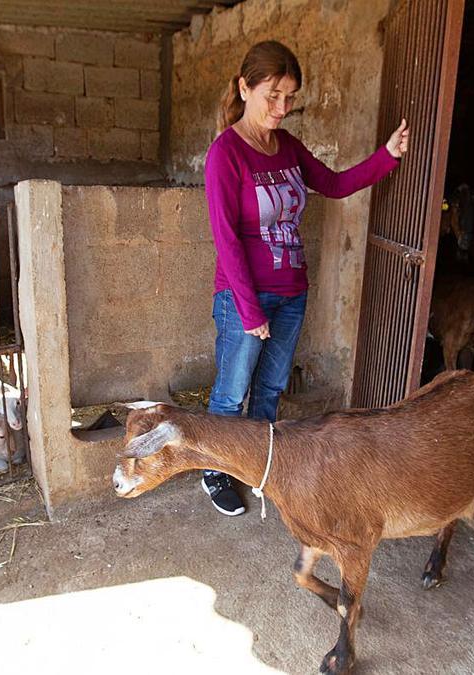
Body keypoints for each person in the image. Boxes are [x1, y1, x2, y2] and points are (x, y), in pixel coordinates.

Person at [201, 40, 410, 515]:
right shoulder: (226, 154)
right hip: (244, 299)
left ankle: (256, 466)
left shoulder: (288, 147)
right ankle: (215, 470)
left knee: (271, 390)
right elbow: (226, 238)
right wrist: (251, 310)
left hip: (292, 292)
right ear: (245, 87)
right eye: (272, 94)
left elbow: (333, 184)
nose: (282, 107)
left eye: (290, 96)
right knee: (232, 393)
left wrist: (387, 155)